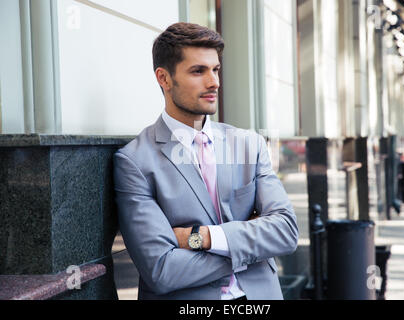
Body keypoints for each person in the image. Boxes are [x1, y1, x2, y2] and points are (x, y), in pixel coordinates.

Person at [113, 22, 298, 300]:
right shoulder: (135, 162)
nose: (214, 82)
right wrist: (252, 248)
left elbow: (285, 231)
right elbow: (162, 270)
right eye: (198, 71)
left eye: (215, 69)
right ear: (163, 78)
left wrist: (202, 238)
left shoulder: (249, 145)